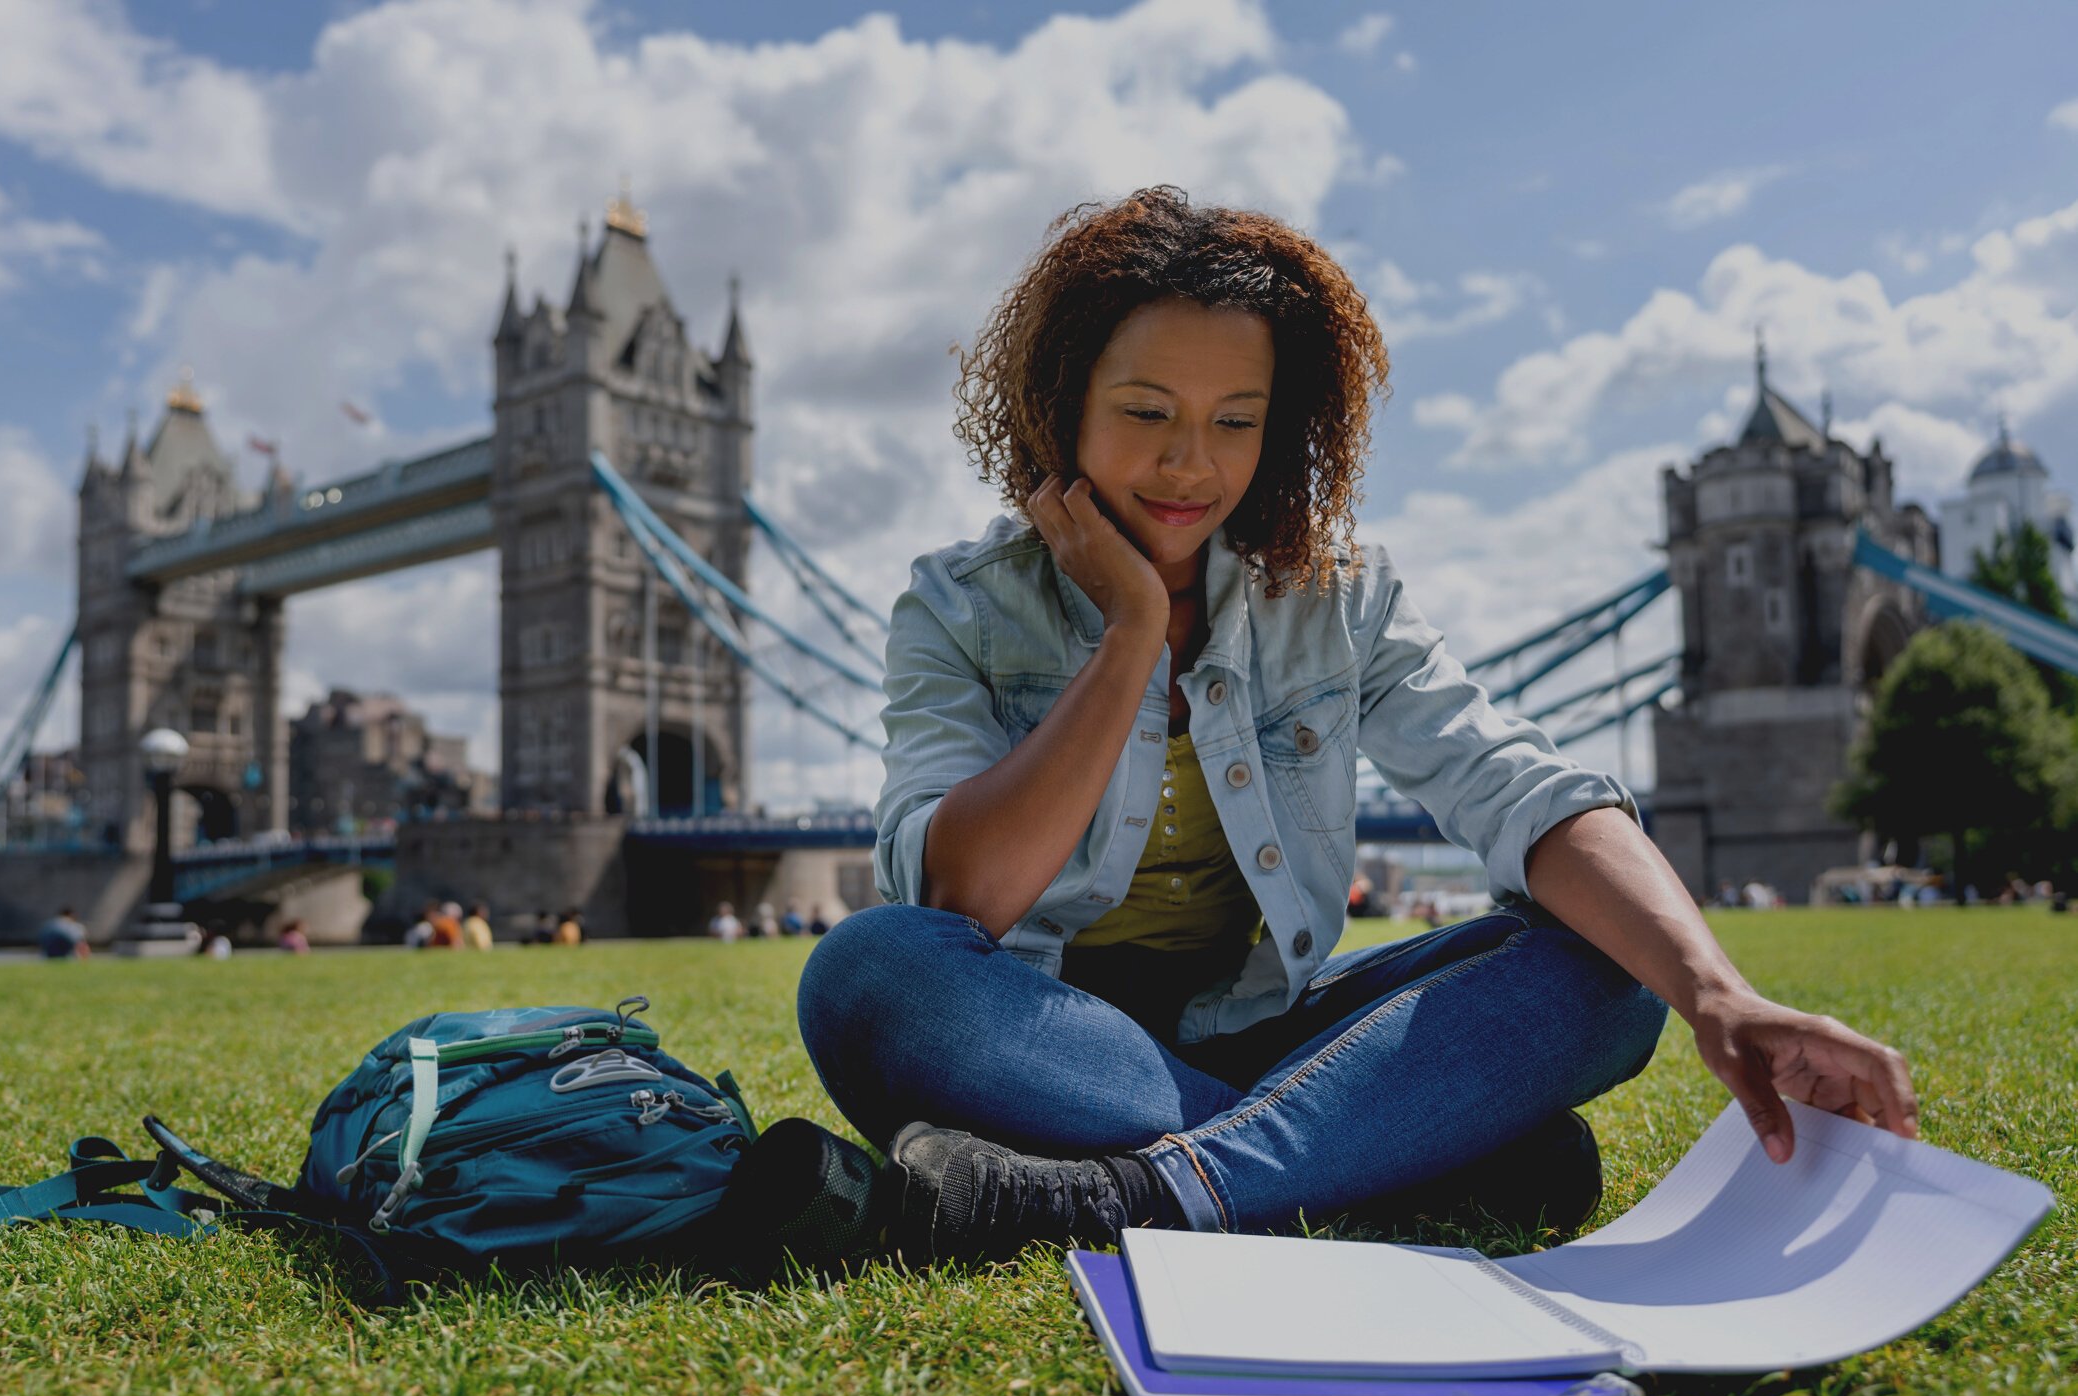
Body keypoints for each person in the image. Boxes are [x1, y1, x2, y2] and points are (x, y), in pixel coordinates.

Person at [797, 187, 1920, 1266]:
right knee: (868, 971)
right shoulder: (957, 605)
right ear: (1062, 403)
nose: (1192, 464)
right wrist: (1131, 631)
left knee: (1615, 968)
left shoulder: (1340, 595)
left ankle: (1136, 1191)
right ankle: (1397, 1153)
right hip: (1038, 1039)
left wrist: (1716, 991)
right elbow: (965, 895)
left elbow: (1513, 783)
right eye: (1146, 414)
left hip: (1273, 1034)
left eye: (1234, 421)